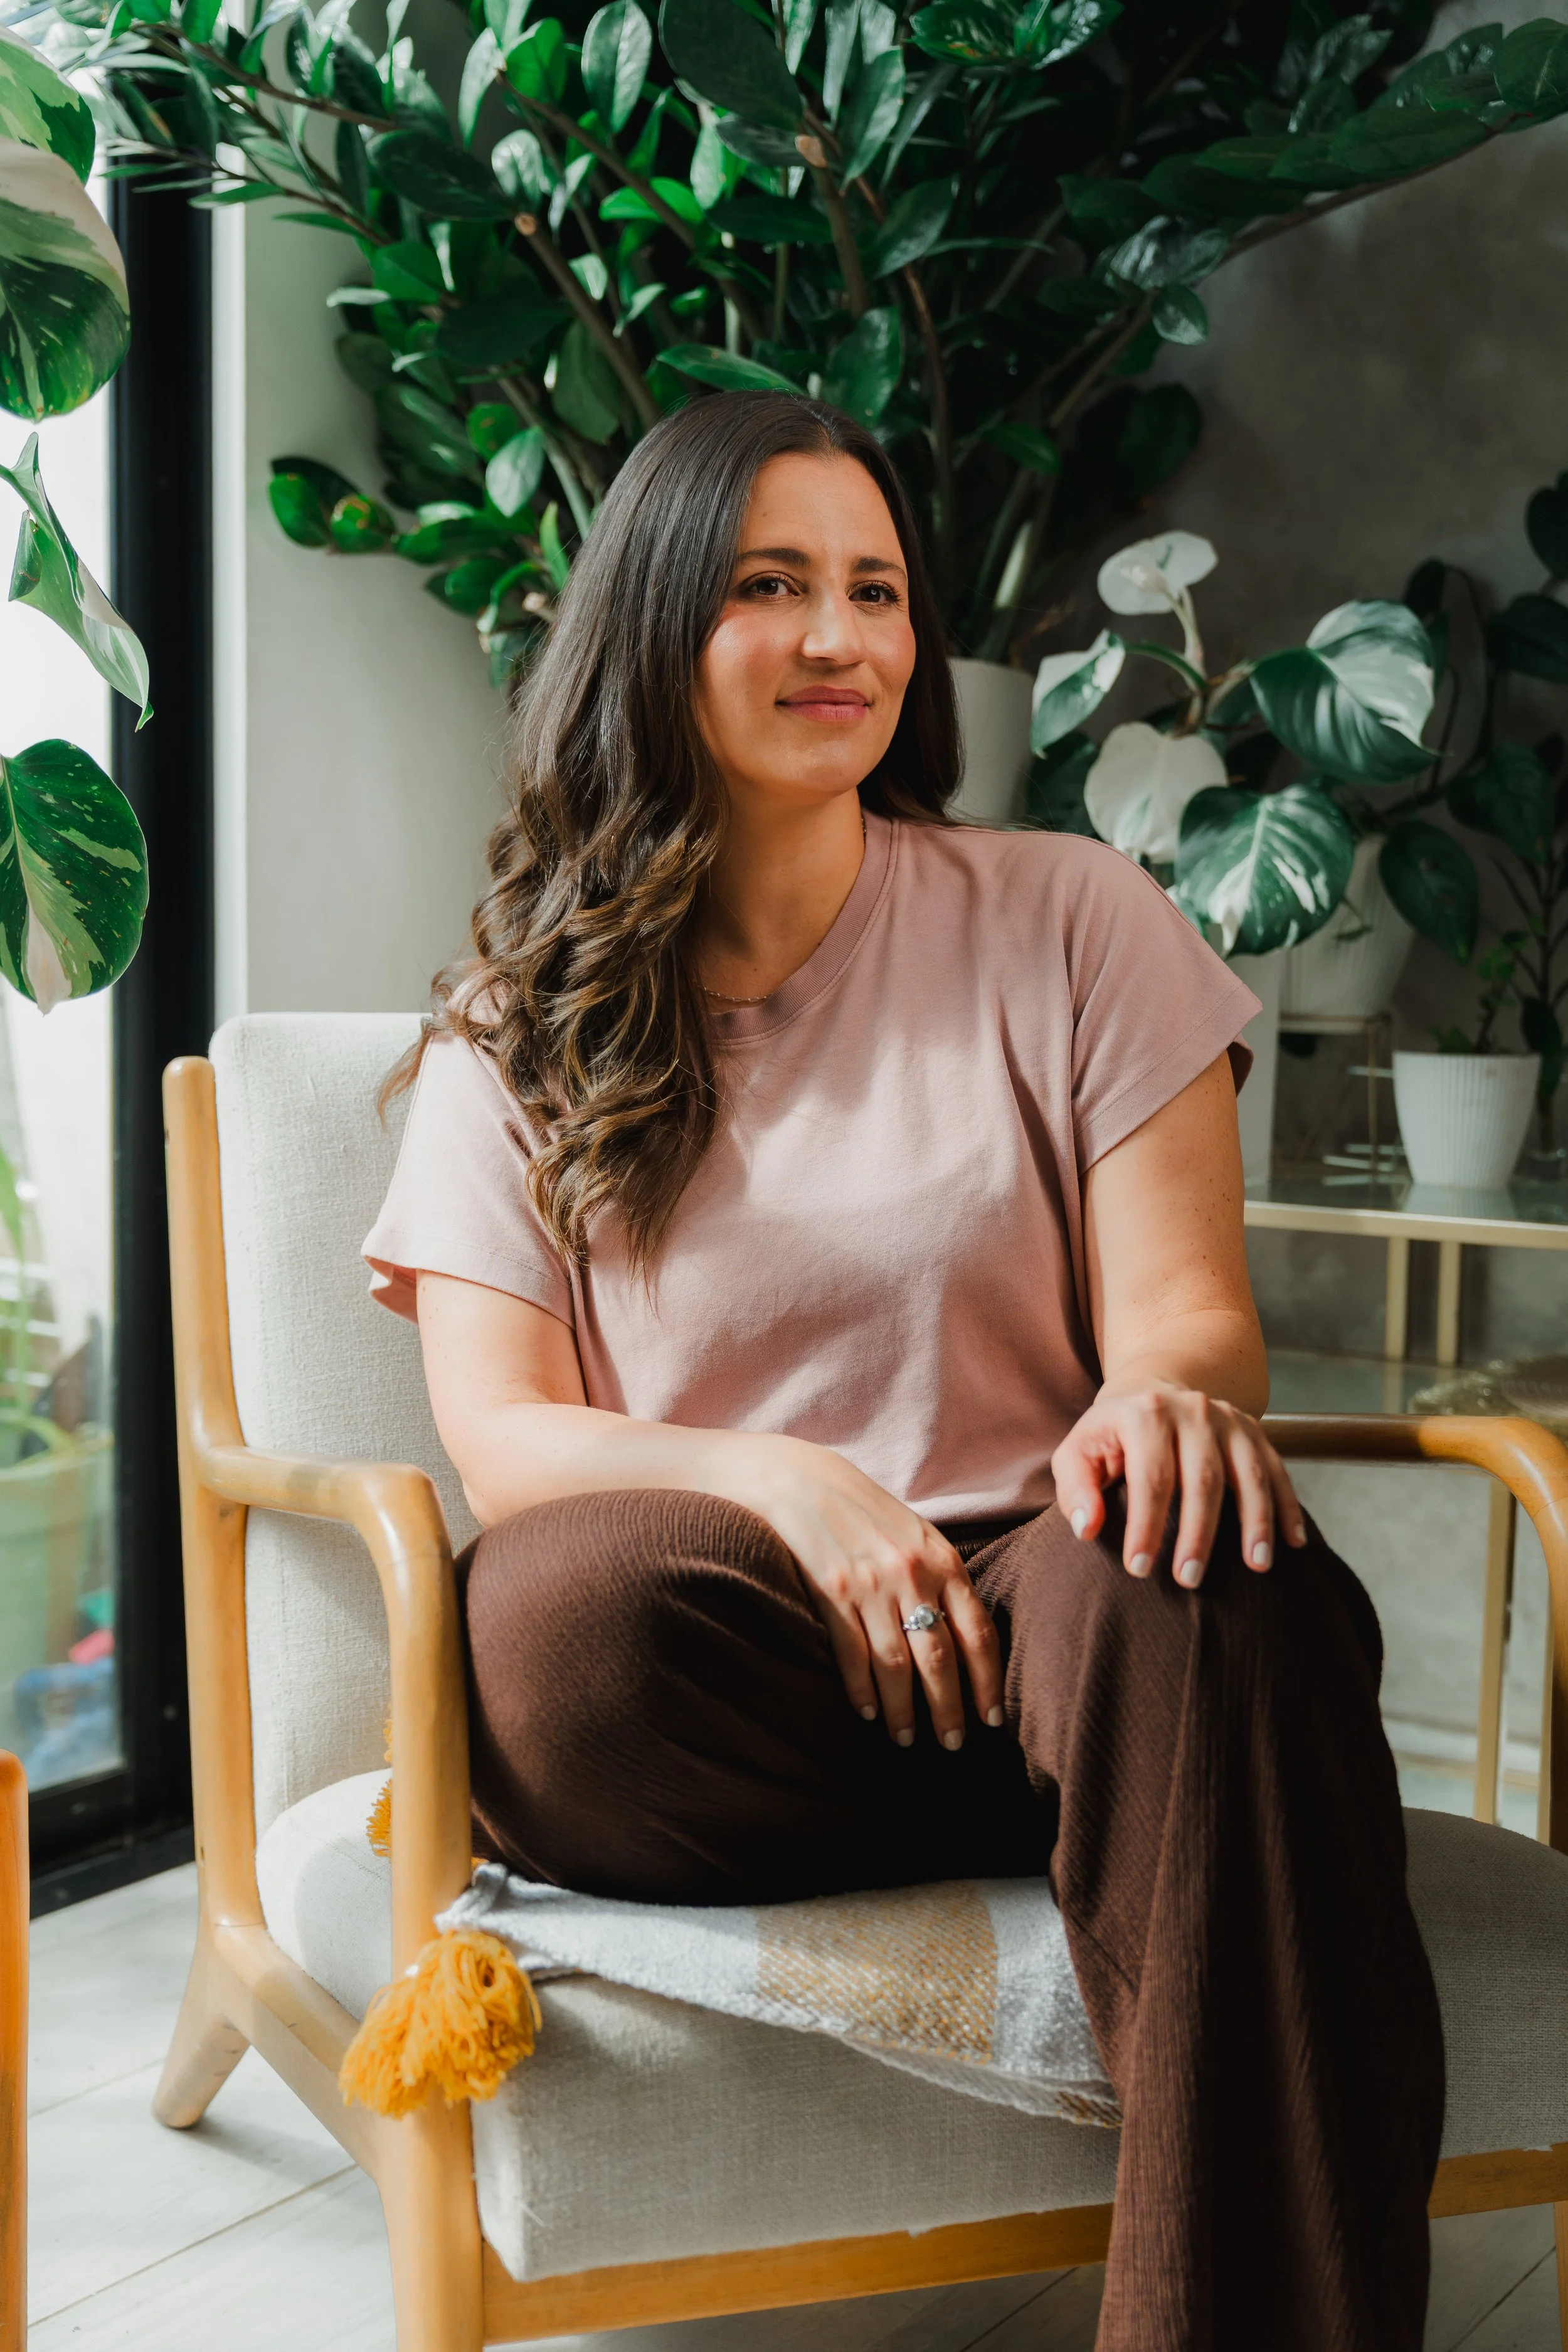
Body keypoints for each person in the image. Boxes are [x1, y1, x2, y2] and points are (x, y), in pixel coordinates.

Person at [364, 391, 1444, 2351]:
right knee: (556, 1617)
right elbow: (503, 1429)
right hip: (734, 1701)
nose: (840, 638)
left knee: (1209, 1565)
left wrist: (1153, 1399)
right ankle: (1167, 1821)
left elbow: (1190, 1315)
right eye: (770, 586)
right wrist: (791, 1484)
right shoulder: (508, 1020)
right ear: (651, 627)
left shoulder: (1070, 916)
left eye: (874, 588)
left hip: (1067, 1635)